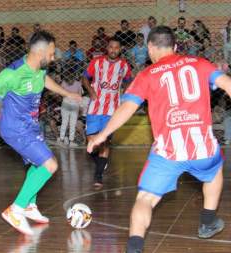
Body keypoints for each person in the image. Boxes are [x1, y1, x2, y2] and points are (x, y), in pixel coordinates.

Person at [87, 26, 231, 253]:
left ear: (150, 48)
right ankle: (208, 221)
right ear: (175, 47)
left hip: (168, 151)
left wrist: (102, 135)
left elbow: (127, 108)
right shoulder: (200, 63)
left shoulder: (147, 74)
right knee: (214, 171)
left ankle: (134, 247)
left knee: (145, 198)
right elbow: (228, 84)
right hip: (202, 146)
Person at [0, 30, 82, 235]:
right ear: (41, 52)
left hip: (30, 125)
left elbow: (44, 81)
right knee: (50, 165)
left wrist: (67, 93)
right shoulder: (11, 74)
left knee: (38, 163)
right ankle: (16, 209)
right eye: (52, 54)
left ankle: (29, 206)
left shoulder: (39, 69)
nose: (54, 58)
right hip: (14, 128)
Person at [82, 38, 132, 187]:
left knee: (104, 142)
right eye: (111, 47)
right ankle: (101, 163)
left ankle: (98, 176)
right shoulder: (96, 62)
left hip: (112, 110)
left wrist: (125, 94)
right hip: (95, 108)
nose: (113, 50)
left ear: (120, 49)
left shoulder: (124, 65)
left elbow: (129, 80)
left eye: (116, 48)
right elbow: (84, 78)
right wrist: (91, 91)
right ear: (107, 48)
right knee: (91, 142)